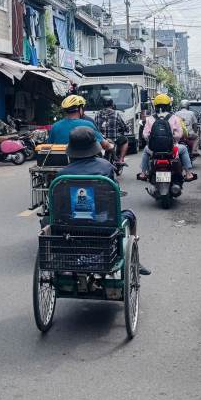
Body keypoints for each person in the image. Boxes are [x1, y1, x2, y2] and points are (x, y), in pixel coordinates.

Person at [62, 126, 150, 275]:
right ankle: (134, 258)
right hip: (103, 223)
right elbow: (113, 194)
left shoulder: (63, 174)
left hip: (70, 226)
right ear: (94, 148)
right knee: (131, 215)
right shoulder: (106, 167)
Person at [138, 94, 196, 181]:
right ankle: (188, 174)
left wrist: (152, 140)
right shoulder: (175, 118)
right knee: (183, 149)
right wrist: (173, 139)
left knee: (146, 150)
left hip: (154, 150)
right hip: (172, 149)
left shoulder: (150, 118)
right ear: (169, 106)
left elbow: (145, 135)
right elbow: (179, 135)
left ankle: (143, 173)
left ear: (155, 106)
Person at [48, 94, 114, 154]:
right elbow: (105, 145)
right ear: (80, 109)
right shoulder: (87, 124)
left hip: (61, 163)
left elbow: (50, 145)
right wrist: (111, 145)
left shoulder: (55, 126)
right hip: (84, 163)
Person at [94, 97, 129, 168]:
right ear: (112, 105)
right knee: (125, 140)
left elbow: (95, 126)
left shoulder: (97, 114)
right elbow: (123, 126)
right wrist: (126, 129)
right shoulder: (116, 114)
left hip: (101, 139)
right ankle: (121, 160)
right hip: (113, 139)